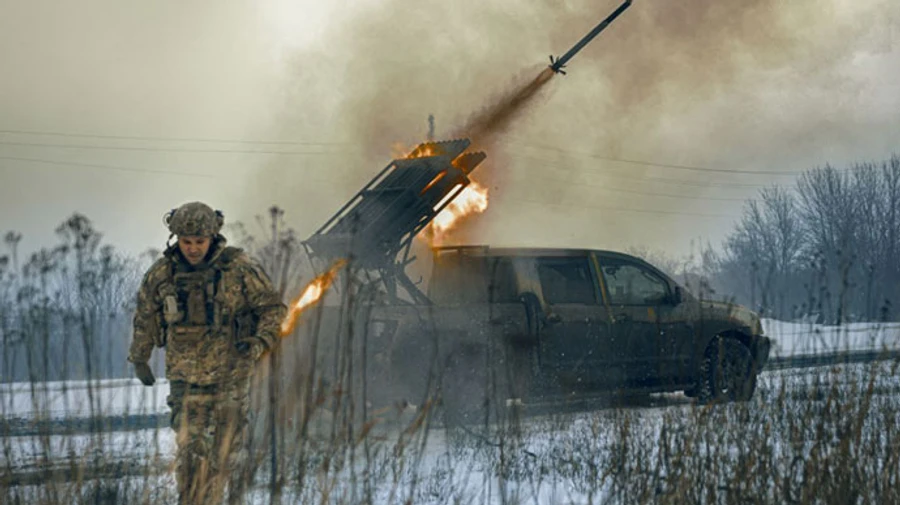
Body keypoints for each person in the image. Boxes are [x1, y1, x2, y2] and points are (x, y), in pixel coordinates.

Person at [127, 201, 287, 505]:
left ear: (212, 237)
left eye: (199, 242)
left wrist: (259, 343)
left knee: (226, 457)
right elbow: (145, 316)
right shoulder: (162, 273)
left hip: (230, 378)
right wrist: (139, 357)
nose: (193, 248)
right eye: (186, 242)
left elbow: (273, 309)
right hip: (185, 381)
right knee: (190, 456)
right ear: (177, 239)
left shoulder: (239, 268)